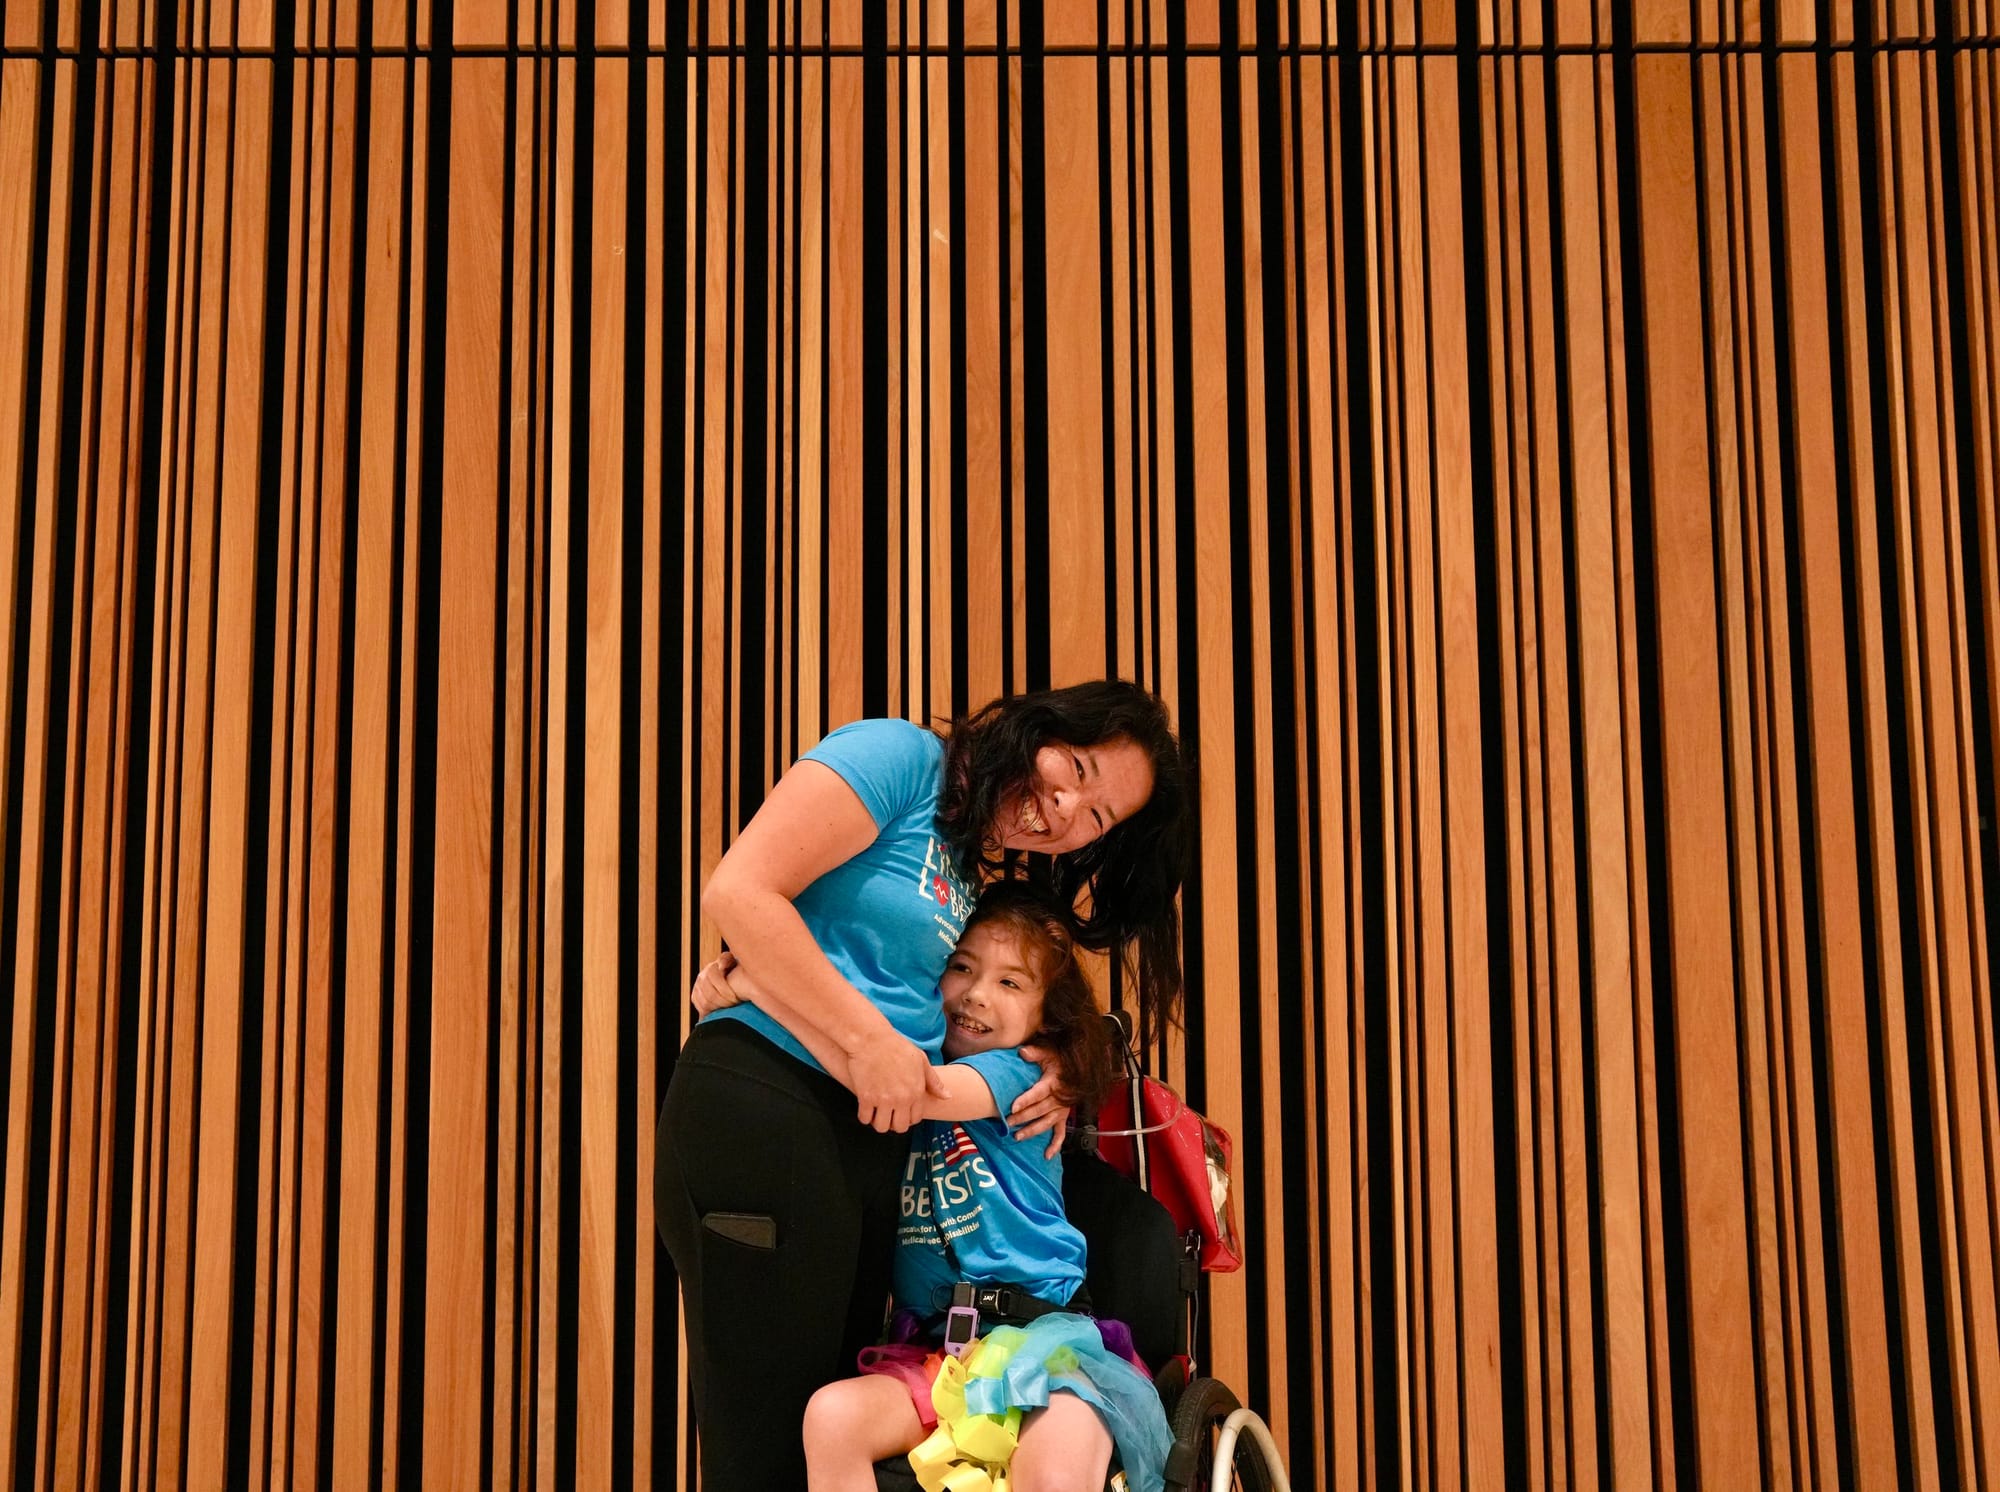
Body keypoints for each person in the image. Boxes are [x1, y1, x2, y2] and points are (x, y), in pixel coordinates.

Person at [654, 681, 1190, 1490]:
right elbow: (737, 892)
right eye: (1073, 766)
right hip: (772, 1111)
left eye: (1096, 815)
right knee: (761, 1454)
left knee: (817, 1439)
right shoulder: (902, 759)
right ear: (1041, 725)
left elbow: (945, 1024)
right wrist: (858, 1036)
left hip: (869, 1142)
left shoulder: (973, 864)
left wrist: (1063, 1065)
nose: (1064, 806)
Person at [775, 883, 1173, 1492]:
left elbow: (910, 1090)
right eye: (961, 966)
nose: (977, 994)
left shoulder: (1023, 1073)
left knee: (1054, 1475)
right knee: (831, 1418)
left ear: (1046, 1020)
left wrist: (760, 987)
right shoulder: (910, 1052)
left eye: (1011, 983)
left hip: (1044, 1344)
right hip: (938, 1355)